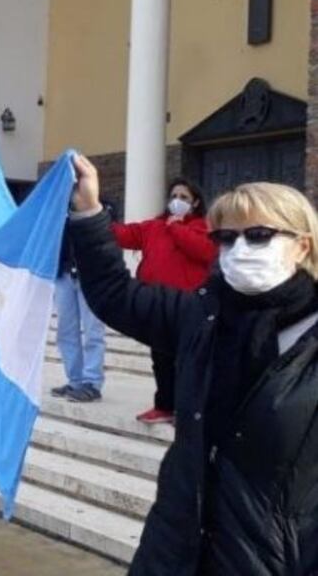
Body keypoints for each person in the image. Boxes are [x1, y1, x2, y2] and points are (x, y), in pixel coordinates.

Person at [70, 156, 318, 575]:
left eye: (258, 235)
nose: (239, 250)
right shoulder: (200, 316)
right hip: (175, 548)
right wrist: (90, 210)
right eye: (225, 238)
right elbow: (115, 293)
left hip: (267, 559)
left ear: (303, 244)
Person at [111, 177, 217, 424]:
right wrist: (93, 215)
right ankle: (164, 406)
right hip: (156, 303)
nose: (177, 201)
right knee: (161, 359)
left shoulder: (204, 227)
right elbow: (124, 235)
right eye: (174, 196)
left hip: (189, 304)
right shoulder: (153, 226)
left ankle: (189, 409)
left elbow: (205, 253)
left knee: (187, 360)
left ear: (196, 202)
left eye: (184, 197)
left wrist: (176, 228)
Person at [50, 203, 116, 404]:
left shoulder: (101, 207)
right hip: (64, 274)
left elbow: (107, 237)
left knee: (92, 331)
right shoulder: (58, 208)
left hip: (91, 276)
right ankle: (75, 380)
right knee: (65, 331)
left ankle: (92, 382)